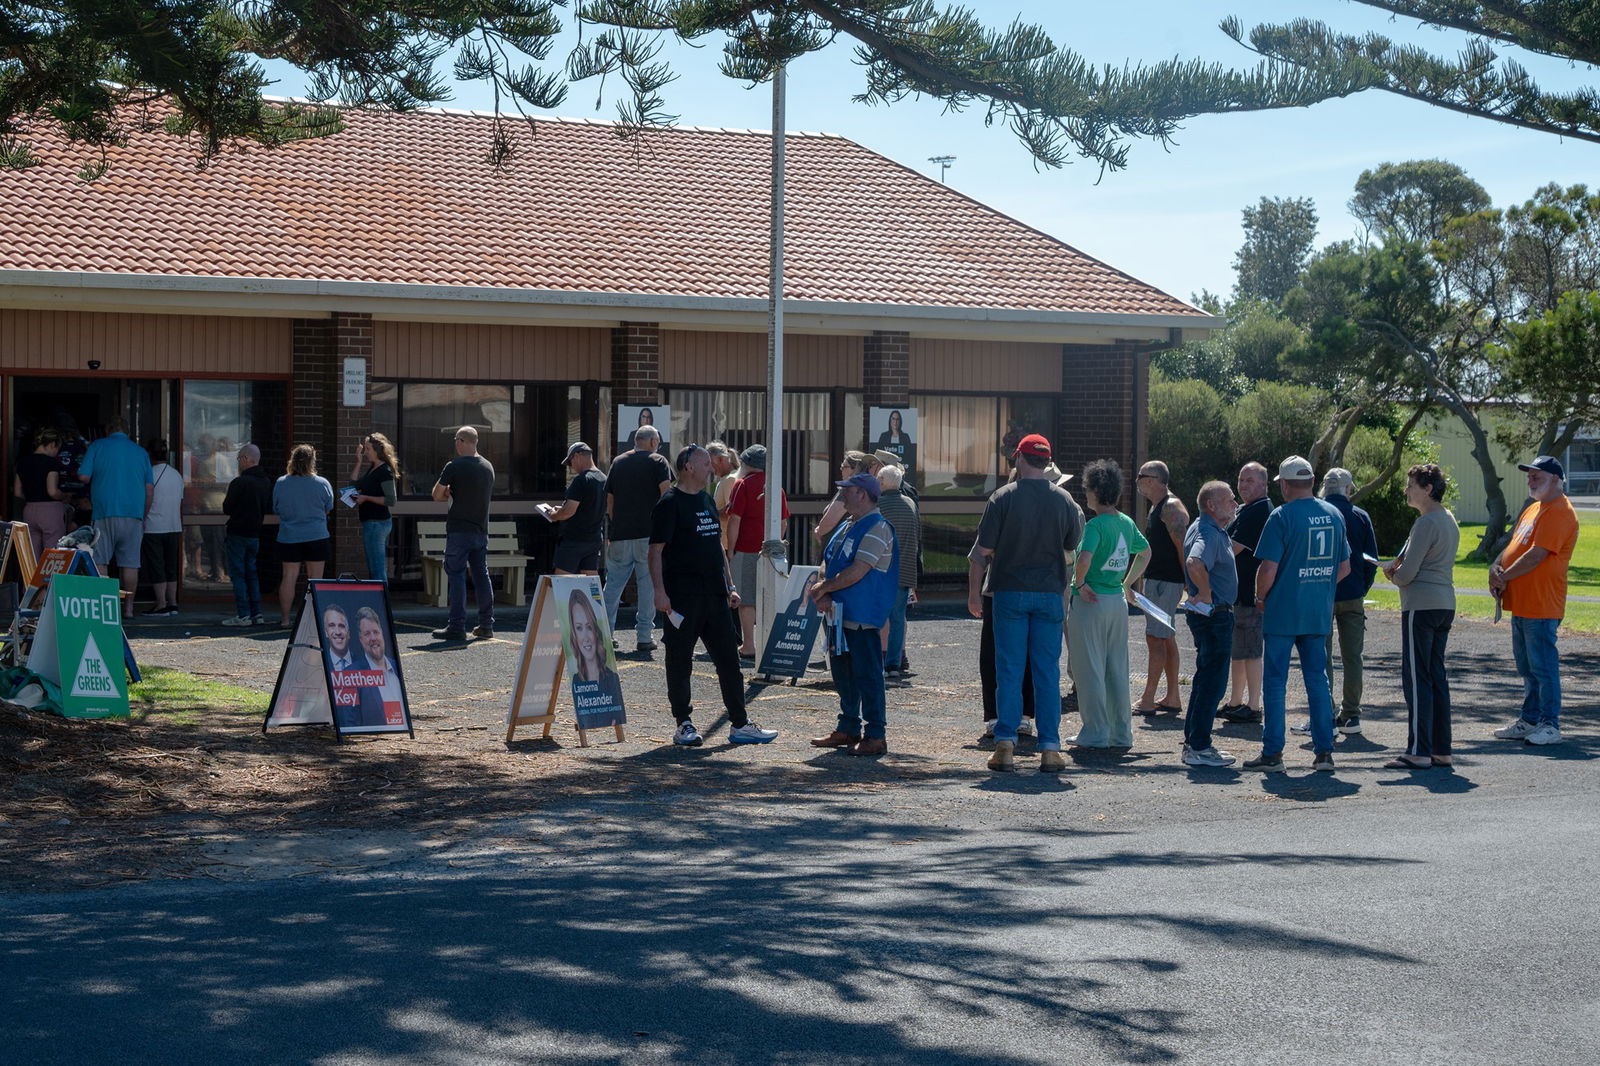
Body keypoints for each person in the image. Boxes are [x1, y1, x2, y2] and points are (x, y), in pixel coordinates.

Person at [647, 444, 779, 746]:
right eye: (705, 463)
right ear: (688, 467)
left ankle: (740, 724)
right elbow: (655, 551)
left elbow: (717, 546)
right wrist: (659, 593)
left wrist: (730, 585)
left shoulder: (706, 499)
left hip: (716, 596)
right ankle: (683, 724)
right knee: (679, 662)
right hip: (682, 597)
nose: (712, 468)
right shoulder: (669, 504)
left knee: (729, 661)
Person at [968, 434, 1081, 772]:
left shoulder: (1002, 498)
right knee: (1047, 673)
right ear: (1047, 462)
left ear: (1019, 458)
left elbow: (981, 554)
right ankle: (1050, 748)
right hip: (1049, 593)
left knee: (1009, 670)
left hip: (1009, 591)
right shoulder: (1064, 500)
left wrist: (974, 593)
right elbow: (1072, 543)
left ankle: (1005, 743)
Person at [1245, 455, 1350, 773]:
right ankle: (1324, 752)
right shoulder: (1334, 514)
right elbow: (1344, 568)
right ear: (1313, 483)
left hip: (1283, 610)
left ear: (1287, 485)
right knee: (1318, 680)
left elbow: (1268, 568)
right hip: (1317, 610)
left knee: (1275, 681)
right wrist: (1319, 585)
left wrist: (1259, 596)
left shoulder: (1281, 516)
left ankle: (1273, 753)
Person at [1489, 455, 1579, 747]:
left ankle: (1550, 725)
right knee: (1527, 667)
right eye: (1529, 475)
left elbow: (1536, 555)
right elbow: (1515, 545)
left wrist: (1506, 577)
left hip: (1542, 603)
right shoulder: (1534, 510)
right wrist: (1496, 567)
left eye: (1537, 476)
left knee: (1543, 667)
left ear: (1556, 479)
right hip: (1524, 601)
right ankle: (1530, 720)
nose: (1530, 479)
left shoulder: (1560, 511)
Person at [809, 472, 898, 757]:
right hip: (839, 612)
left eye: (847, 490)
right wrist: (826, 592)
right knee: (843, 672)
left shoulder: (878, 526)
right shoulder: (850, 523)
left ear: (862, 494)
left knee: (868, 674)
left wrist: (824, 588)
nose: (842, 495)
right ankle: (848, 727)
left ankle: (876, 734)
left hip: (862, 614)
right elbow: (828, 559)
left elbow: (859, 570)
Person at [1068, 459, 1150, 749]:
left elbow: (1085, 560)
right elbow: (1145, 552)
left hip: (1090, 603)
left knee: (1088, 667)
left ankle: (1095, 731)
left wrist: (1079, 583)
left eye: (1087, 489)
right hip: (1116, 601)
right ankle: (1121, 732)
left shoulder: (1094, 525)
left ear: (1094, 492)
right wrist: (1127, 583)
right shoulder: (1126, 522)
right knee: (1116, 666)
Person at [1382, 464, 1460, 769]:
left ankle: (1418, 750)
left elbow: (1407, 574)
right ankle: (1441, 749)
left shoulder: (1426, 523)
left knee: (1416, 678)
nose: (1407, 490)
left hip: (1421, 605)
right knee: (1436, 677)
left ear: (1428, 488)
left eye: (1411, 485)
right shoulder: (1449, 519)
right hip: (1444, 604)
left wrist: (1391, 573)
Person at [1298, 467, 1379, 736]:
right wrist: (1362, 588)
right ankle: (1352, 714)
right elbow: (1371, 560)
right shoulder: (1361, 516)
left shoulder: (1316, 514)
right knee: (1353, 657)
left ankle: (1325, 712)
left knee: (1322, 656)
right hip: (1353, 593)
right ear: (1348, 488)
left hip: (1321, 594)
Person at [1180, 481, 1240, 767]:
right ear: (1211, 505)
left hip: (1210, 614)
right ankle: (1199, 747)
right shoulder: (1207, 531)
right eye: (1230, 499)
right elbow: (1194, 563)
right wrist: (1205, 593)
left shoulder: (1204, 527)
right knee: (1212, 683)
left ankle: (1195, 743)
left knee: (1206, 680)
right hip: (1214, 614)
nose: (1235, 504)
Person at [78, 416, 154, 618]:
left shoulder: (98, 446)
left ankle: (106, 609)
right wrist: (143, 515)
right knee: (130, 563)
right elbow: (149, 489)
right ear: (128, 431)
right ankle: (128, 609)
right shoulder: (141, 452)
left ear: (107, 431)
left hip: (104, 512)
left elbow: (83, 476)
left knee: (101, 561)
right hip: (133, 514)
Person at [604, 426, 672, 651]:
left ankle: (605, 633)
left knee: (612, 587)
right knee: (648, 587)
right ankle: (644, 636)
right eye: (658, 442)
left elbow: (610, 501)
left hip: (621, 534)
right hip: (649, 535)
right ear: (653, 441)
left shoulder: (618, 462)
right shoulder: (658, 461)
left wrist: (616, 525)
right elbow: (667, 496)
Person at [1134, 460, 1189, 714]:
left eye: (1140, 476)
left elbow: (1182, 548)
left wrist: (1189, 581)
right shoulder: (1158, 506)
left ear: (1153, 479)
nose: (1137, 481)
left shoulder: (1171, 506)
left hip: (1167, 582)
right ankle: (1172, 697)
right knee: (1165, 637)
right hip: (1158, 581)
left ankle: (1148, 699)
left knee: (1156, 637)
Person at [431, 426, 496, 641]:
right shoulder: (488, 467)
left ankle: (457, 626)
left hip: (459, 530)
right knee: (481, 575)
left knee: (456, 575)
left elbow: (436, 495)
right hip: (481, 530)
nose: (455, 444)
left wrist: (449, 492)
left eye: (456, 440)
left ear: (461, 441)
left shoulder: (454, 466)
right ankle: (486, 624)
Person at [725, 443, 790, 657]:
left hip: (745, 548)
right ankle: (768, 643)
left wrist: (730, 549)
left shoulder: (741, 484)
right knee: (769, 596)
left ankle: (749, 645)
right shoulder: (775, 487)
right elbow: (783, 522)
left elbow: (734, 520)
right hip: (772, 552)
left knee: (746, 599)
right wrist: (777, 543)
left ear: (747, 464)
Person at [1220, 461, 1271, 723]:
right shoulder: (1246, 510)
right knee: (1238, 650)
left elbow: (1231, 548)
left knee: (1250, 650)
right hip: (1238, 593)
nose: (1243, 485)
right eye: (1241, 480)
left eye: (1250, 480)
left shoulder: (1259, 511)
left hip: (1251, 593)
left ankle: (1253, 706)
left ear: (1264, 484)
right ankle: (1236, 700)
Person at [272, 444, 334, 628]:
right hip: (316, 536)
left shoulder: (281, 482)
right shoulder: (322, 483)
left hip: (289, 536)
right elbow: (328, 508)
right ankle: (313, 621)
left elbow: (276, 508)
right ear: (311, 461)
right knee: (316, 580)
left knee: (289, 577)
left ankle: (285, 619)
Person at [875, 465, 920, 682]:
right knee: (898, 618)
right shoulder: (910, 503)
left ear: (882, 481)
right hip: (904, 569)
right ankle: (894, 663)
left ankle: (875, 661)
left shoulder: (878, 505)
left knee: (875, 616)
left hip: (880, 569)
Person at [221, 443, 273, 626]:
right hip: (255, 534)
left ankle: (243, 614)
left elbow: (227, 508)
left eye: (238, 459)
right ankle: (256, 613)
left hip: (237, 533)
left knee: (238, 574)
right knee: (252, 573)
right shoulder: (265, 481)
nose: (238, 462)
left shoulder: (239, 482)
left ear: (245, 459)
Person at [545, 442, 606, 576]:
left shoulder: (581, 480)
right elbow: (587, 507)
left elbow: (568, 512)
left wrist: (552, 514)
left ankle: (559, 599)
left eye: (570, 462)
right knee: (591, 583)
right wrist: (562, 509)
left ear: (577, 456)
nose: (571, 467)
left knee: (561, 580)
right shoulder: (603, 479)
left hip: (574, 540)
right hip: (594, 539)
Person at [141, 439, 186, 616]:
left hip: (153, 526)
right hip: (174, 525)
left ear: (149, 455)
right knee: (170, 566)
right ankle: (173, 603)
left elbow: (146, 498)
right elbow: (180, 501)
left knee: (156, 565)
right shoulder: (176, 475)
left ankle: (161, 603)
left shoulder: (149, 473)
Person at [349, 432, 399, 585]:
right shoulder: (372, 468)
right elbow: (353, 486)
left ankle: (383, 607)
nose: (366, 452)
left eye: (368, 449)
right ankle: (379, 605)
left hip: (378, 523)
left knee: (377, 570)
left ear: (378, 450)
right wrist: (358, 462)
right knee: (373, 568)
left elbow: (391, 500)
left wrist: (366, 498)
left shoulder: (385, 471)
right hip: (370, 522)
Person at [14, 428, 69, 561]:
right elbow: (52, 491)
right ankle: (50, 582)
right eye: (57, 449)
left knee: (31, 556)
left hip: (29, 510)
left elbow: (17, 492)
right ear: (52, 444)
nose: (57, 453)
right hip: (50, 511)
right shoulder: (51, 463)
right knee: (53, 554)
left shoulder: (22, 462)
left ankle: (30, 582)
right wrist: (64, 496)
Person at [567, 586, 623, 711]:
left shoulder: (612, 679)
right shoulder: (577, 681)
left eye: (589, 626)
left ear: (596, 630)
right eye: (579, 628)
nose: (586, 637)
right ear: (574, 634)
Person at [356, 606, 404, 721]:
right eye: (367, 634)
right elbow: (350, 722)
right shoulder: (352, 675)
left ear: (382, 633)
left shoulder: (396, 667)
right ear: (361, 639)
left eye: (376, 632)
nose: (373, 638)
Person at [814, 451, 869, 543]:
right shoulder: (867, 488)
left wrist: (819, 531)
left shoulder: (849, 489)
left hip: (839, 546)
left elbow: (829, 522)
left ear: (855, 468)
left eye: (844, 466)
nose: (841, 469)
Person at [874, 409, 915, 477]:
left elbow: (909, 456)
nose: (895, 422)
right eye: (893, 419)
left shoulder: (905, 437)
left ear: (900, 421)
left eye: (897, 419)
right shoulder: (884, 436)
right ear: (890, 421)